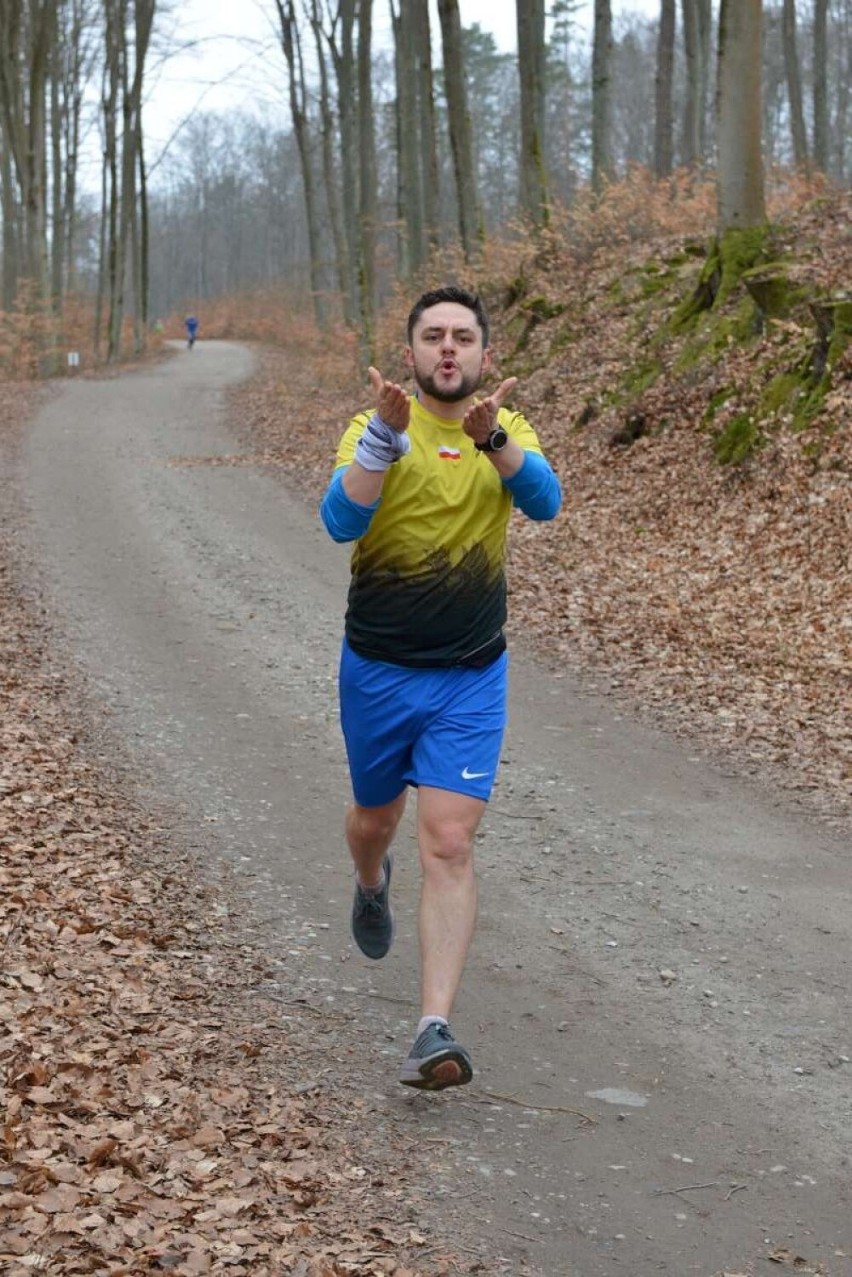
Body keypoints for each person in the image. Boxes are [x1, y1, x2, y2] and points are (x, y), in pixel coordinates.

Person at [319, 285, 562, 1091]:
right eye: (433, 337)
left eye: (463, 337)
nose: (448, 349)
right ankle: (368, 880)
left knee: (450, 840)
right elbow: (340, 522)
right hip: (380, 671)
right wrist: (384, 439)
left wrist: (494, 439)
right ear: (413, 353)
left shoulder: (508, 432)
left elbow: (546, 503)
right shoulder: (375, 429)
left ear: (486, 356)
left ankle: (432, 1028)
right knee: (374, 819)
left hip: (469, 675)